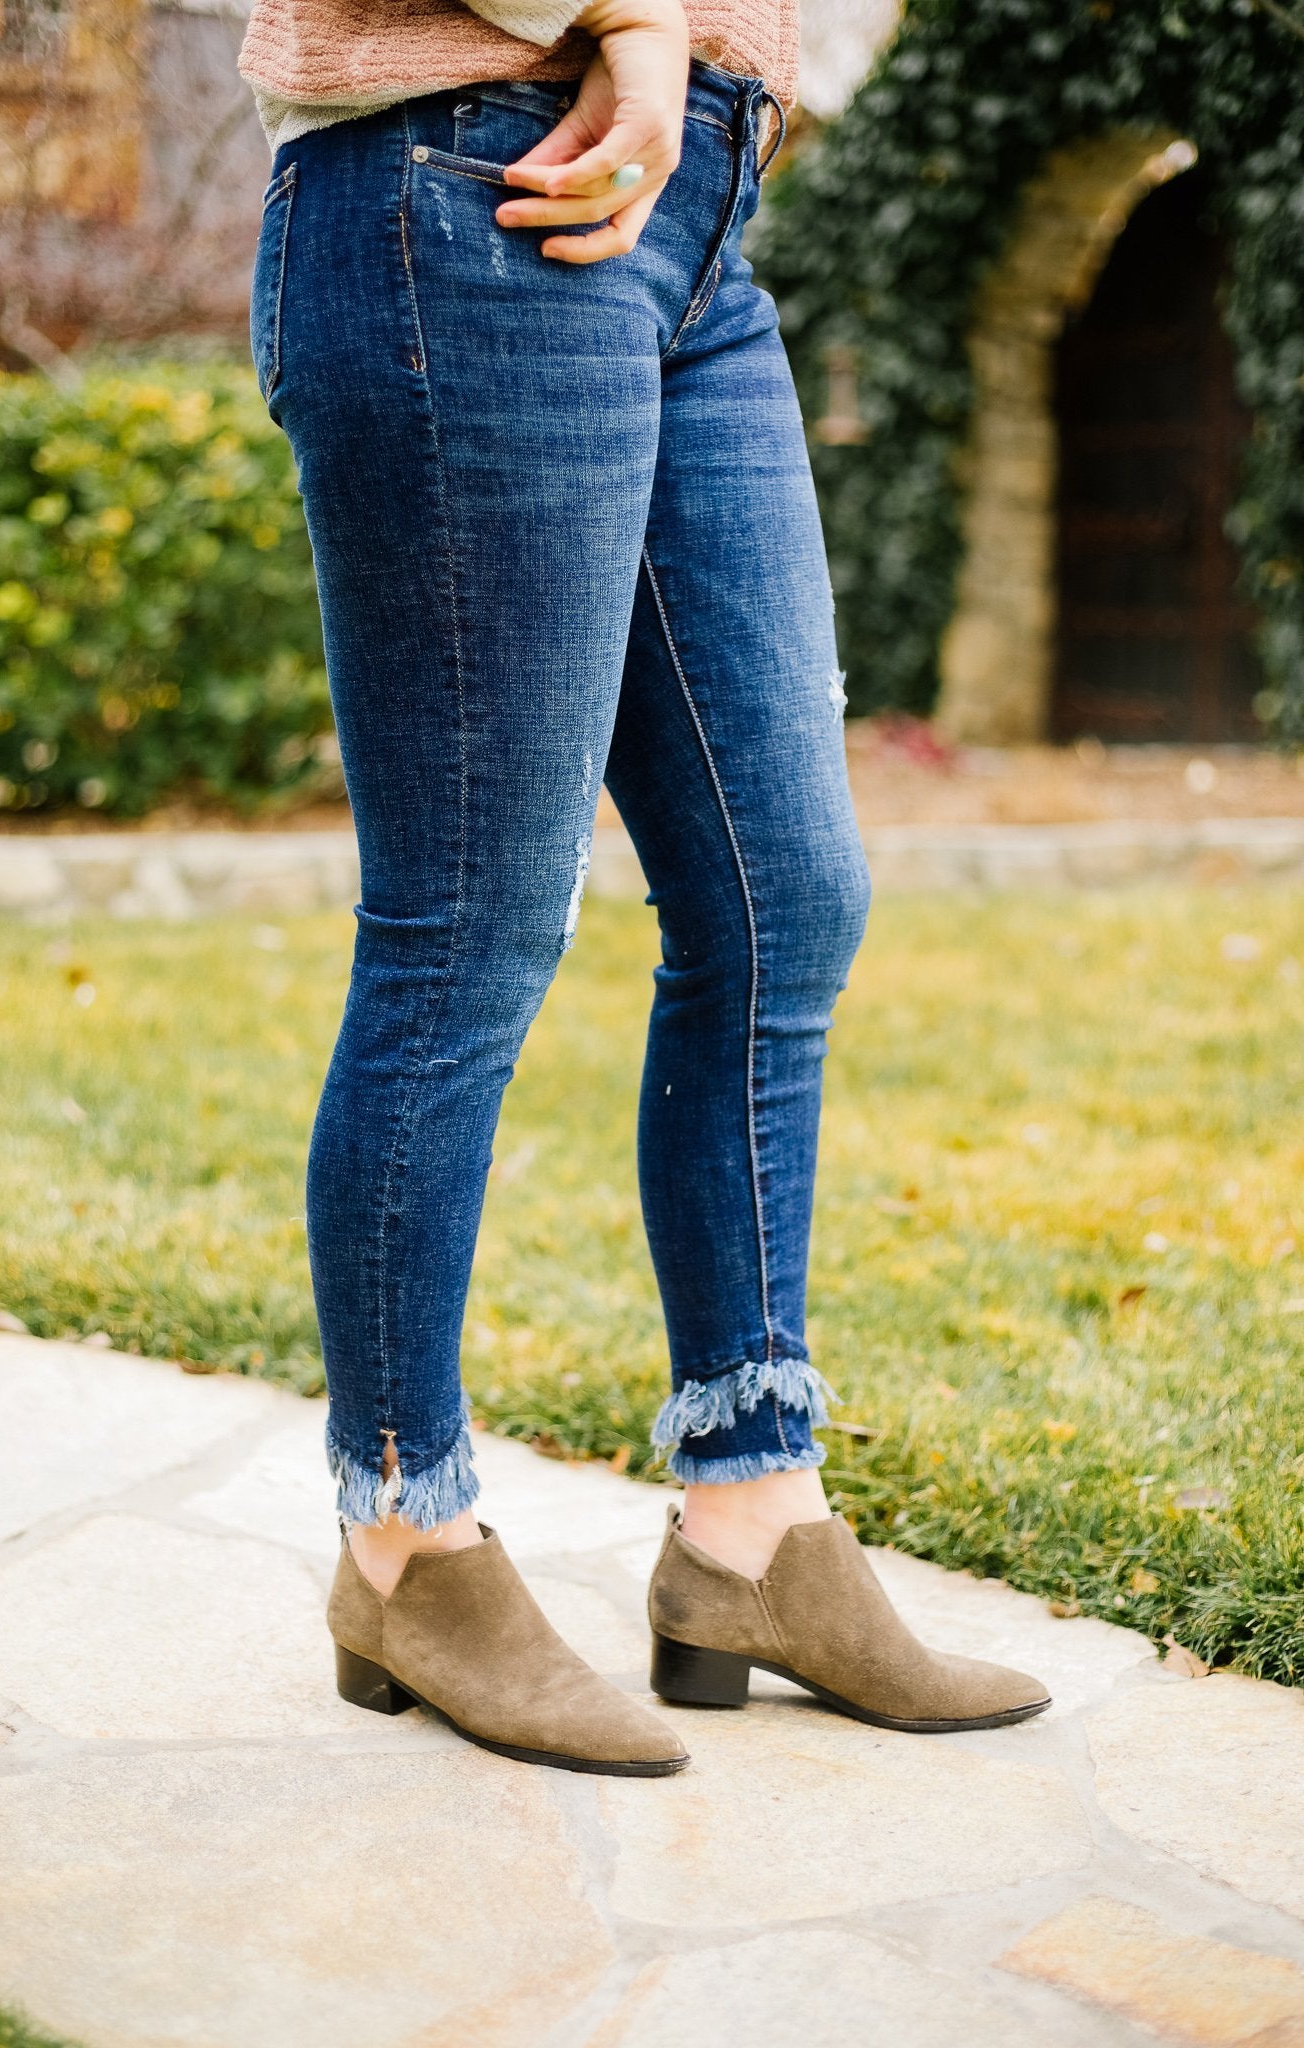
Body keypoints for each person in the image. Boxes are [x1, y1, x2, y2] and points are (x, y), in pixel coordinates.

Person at [239, 0, 1051, 1774]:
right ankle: (402, 1537)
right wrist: (631, 27)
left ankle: (751, 1524)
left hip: (693, 232)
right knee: (471, 919)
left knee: (785, 896)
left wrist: (725, 64)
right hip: (464, 189)